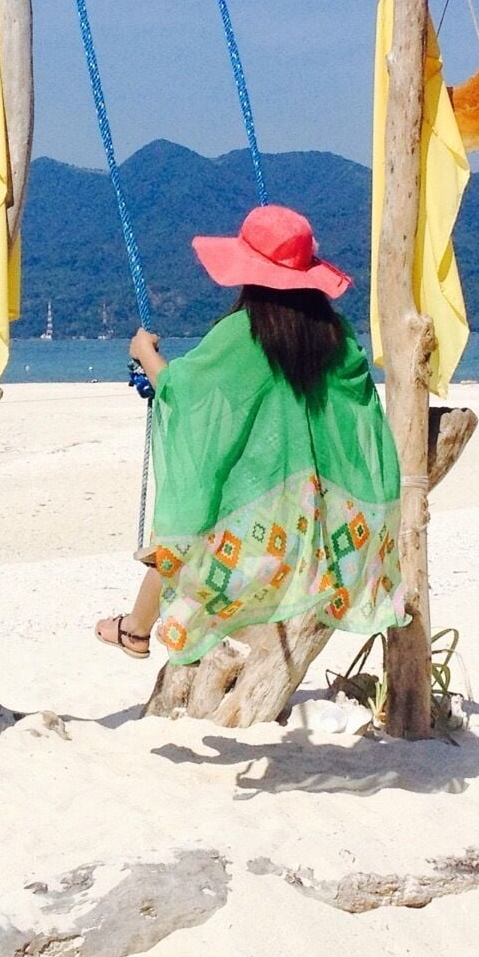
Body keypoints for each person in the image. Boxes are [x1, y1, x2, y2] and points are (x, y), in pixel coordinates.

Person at [94, 204, 404, 663]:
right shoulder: (334, 335)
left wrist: (144, 353)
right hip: (321, 515)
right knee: (198, 518)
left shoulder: (245, 332)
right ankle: (141, 629)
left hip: (261, 514)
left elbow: (184, 390)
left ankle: (137, 630)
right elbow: (356, 402)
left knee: (191, 519)